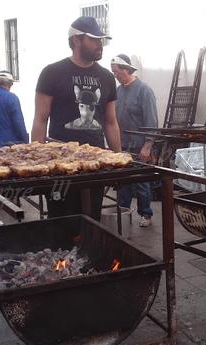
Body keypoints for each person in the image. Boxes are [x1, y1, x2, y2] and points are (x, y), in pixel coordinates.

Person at [32, 16, 121, 221]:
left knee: (92, 222)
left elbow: (110, 122)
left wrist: (117, 160)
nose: (100, 44)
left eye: (101, 40)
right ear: (76, 40)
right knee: (61, 224)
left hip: (96, 166)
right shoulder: (52, 73)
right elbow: (40, 120)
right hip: (61, 166)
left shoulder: (107, 77)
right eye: (95, 39)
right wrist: (38, 165)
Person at [111, 54, 158, 227]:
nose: (115, 76)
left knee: (141, 182)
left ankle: (145, 214)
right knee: (123, 181)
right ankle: (124, 211)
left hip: (139, 145)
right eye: (113, 73)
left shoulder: (144, 90)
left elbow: (151, 120)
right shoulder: (119, 91)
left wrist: (148, 145)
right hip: (123, 144)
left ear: (126, 70)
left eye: (116, 72)